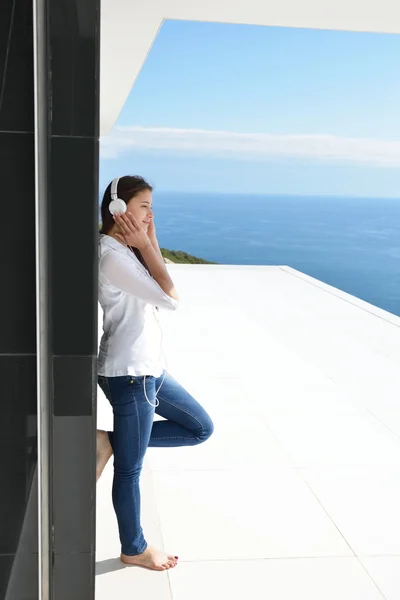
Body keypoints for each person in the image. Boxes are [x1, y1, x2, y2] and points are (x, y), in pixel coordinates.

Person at [96, 175, 214, 572]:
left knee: (199, 427)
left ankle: (109, 442)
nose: (150, 213)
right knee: (130, 470)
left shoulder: (121, 250)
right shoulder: (113, 256)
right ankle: (134, 548)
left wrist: (149, 238)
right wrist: (146, 243)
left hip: (147, 370)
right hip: (131, 375)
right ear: (118, 210)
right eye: (144, 206)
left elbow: (157, 276)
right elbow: (170, 299)